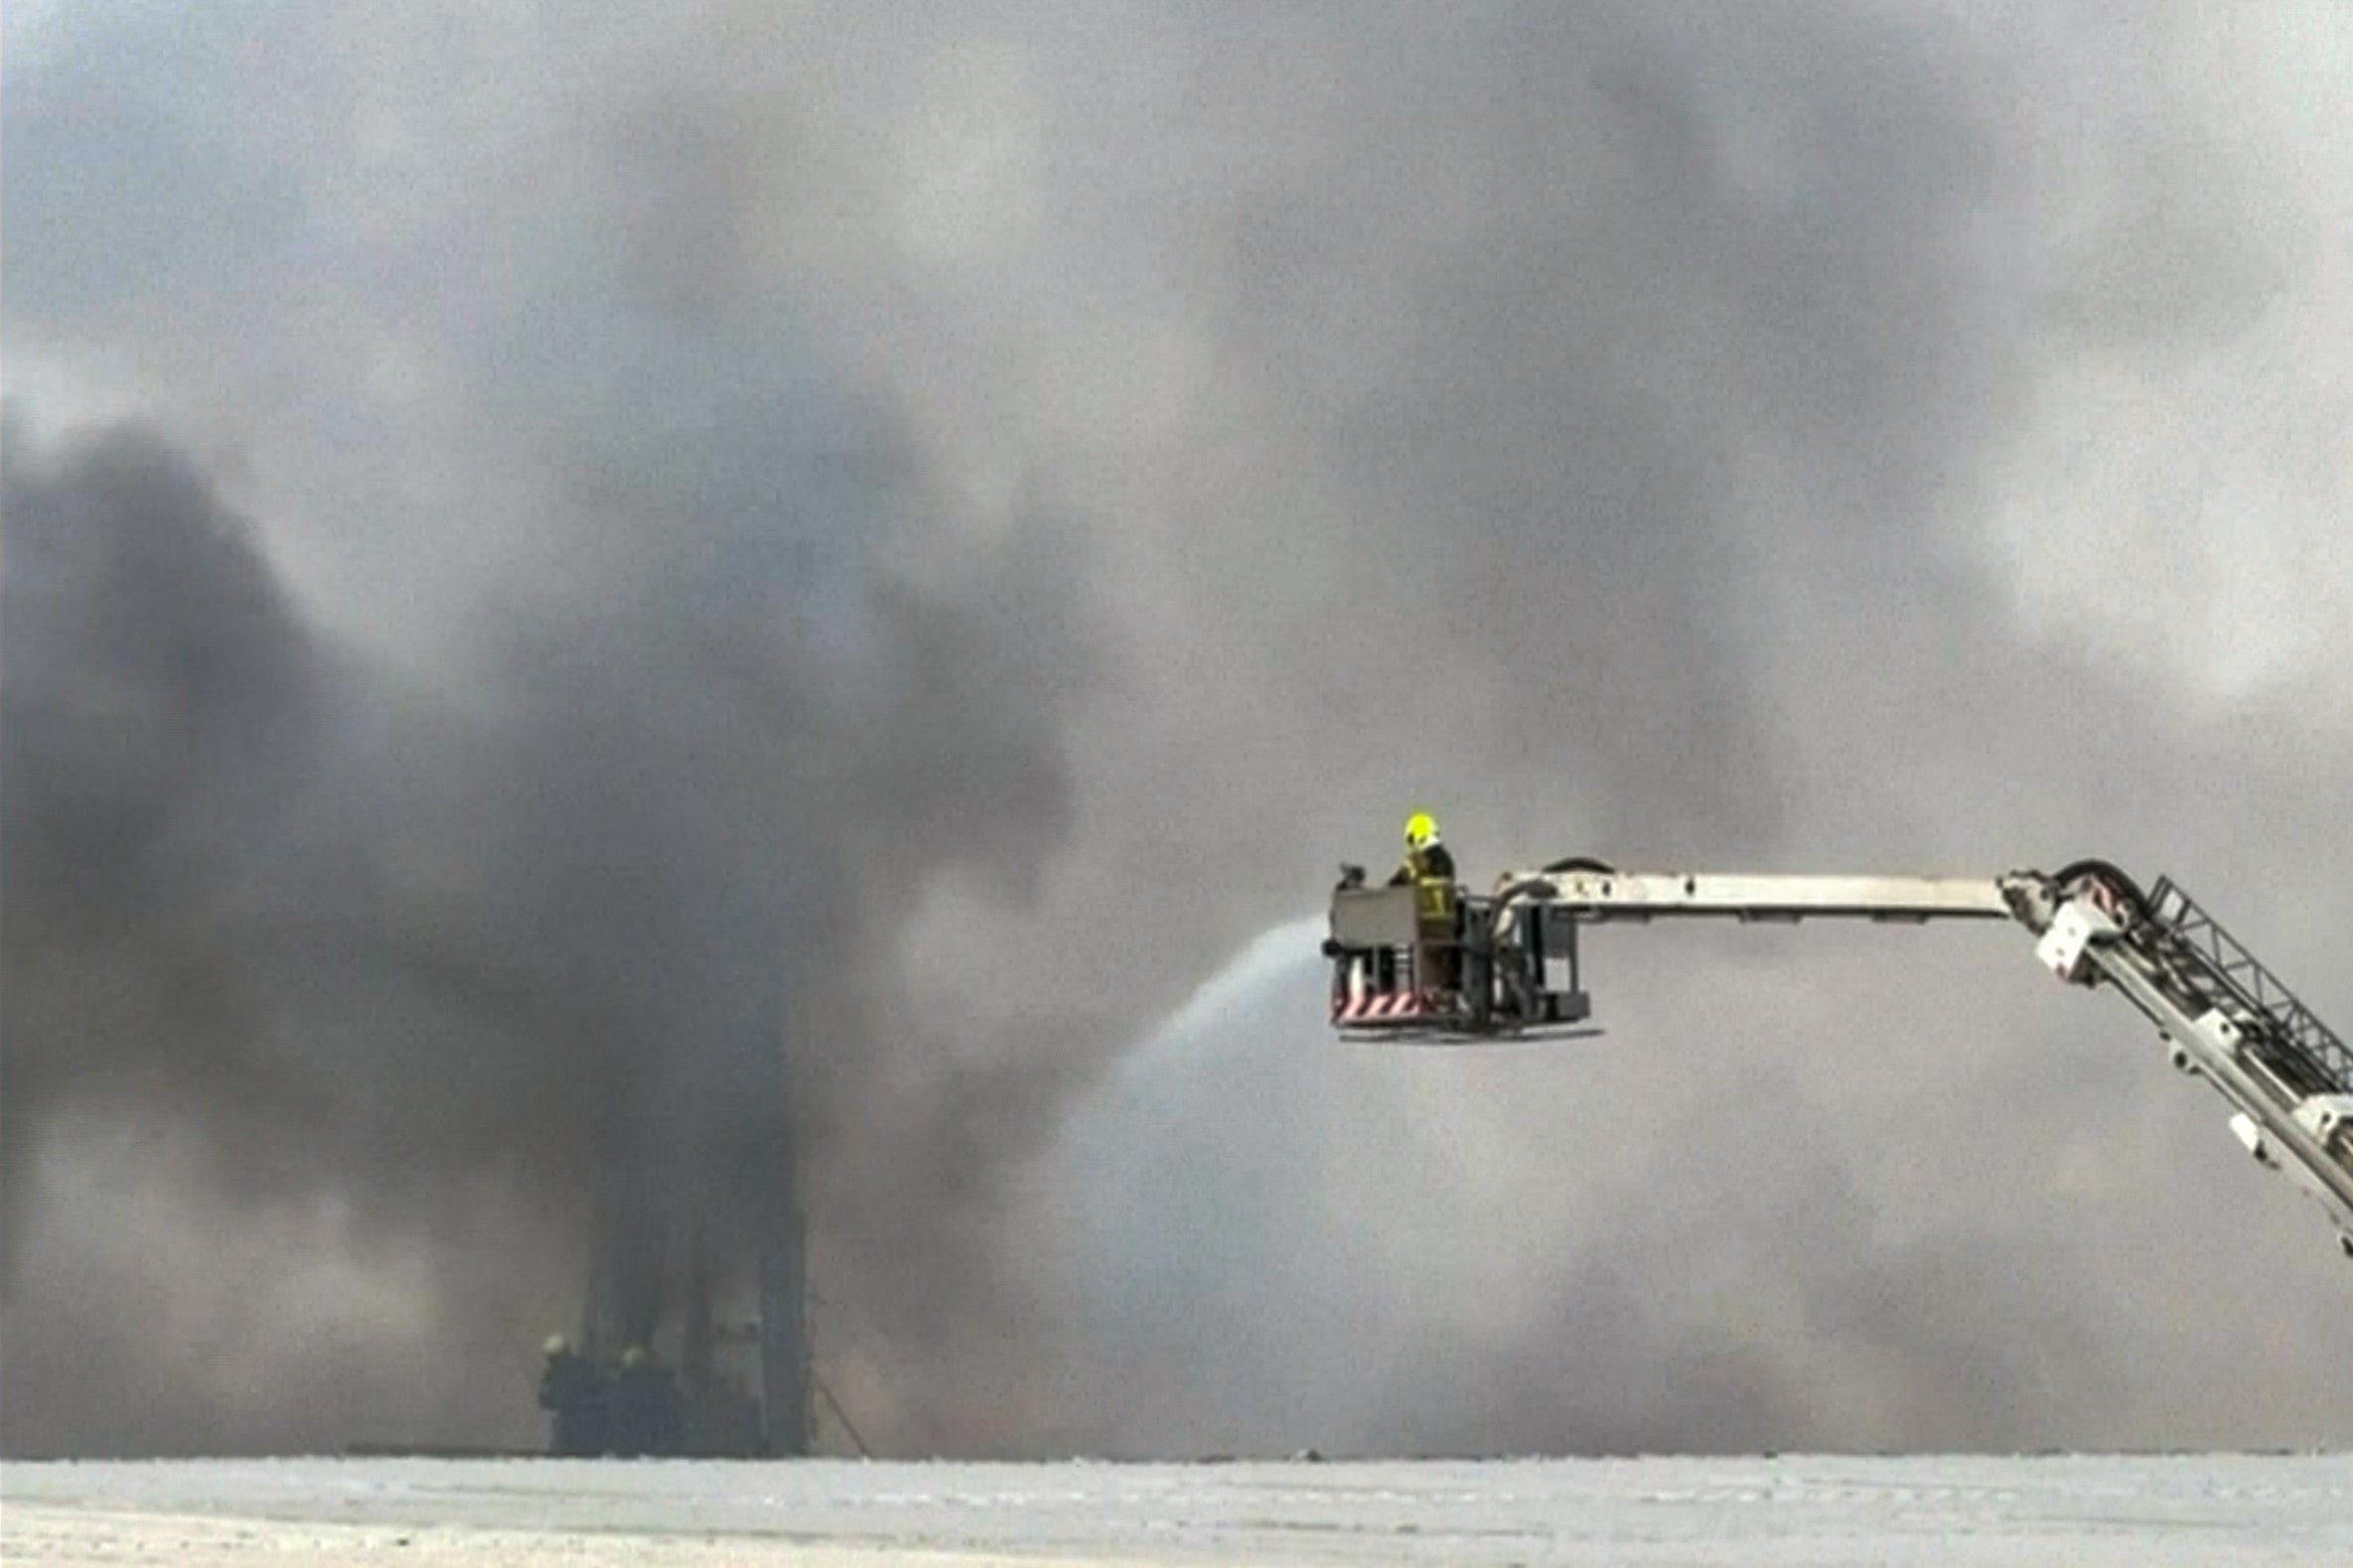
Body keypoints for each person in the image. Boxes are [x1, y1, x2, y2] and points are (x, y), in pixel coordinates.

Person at [1389, 810, 1461, 995]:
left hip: (1422, 923)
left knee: (1425, 961)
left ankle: (1429, 992)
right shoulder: (1446, 860)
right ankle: (1444, 990)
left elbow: (1395, 885)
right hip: (1446, 925)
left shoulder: (1417, 861)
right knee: (1442, 960)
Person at [537, 1334, 609, 1457]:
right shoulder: (585, 1367)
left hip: (570, 1420)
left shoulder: (552, 1374)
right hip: (587, 1421)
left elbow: (545, 1398)